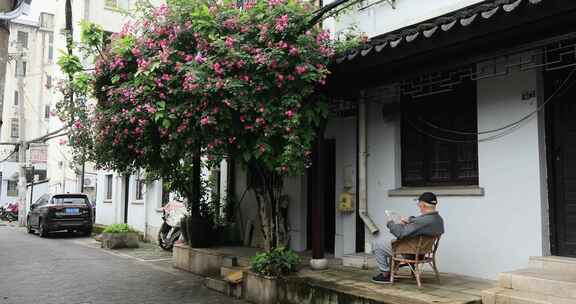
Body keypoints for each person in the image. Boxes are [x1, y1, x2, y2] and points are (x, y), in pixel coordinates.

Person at [371, 192, 444, 284]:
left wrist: (390, 223)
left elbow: (400, 233)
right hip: (422, 252)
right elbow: (419, 221)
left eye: (419, 205)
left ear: (423, 205)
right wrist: (410, 220)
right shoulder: (438, 219)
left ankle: (385, 274)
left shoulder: (423, 221)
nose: (419, 207)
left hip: (410, 252)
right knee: (390, 243)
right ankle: (392, 270)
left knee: (377, 245)